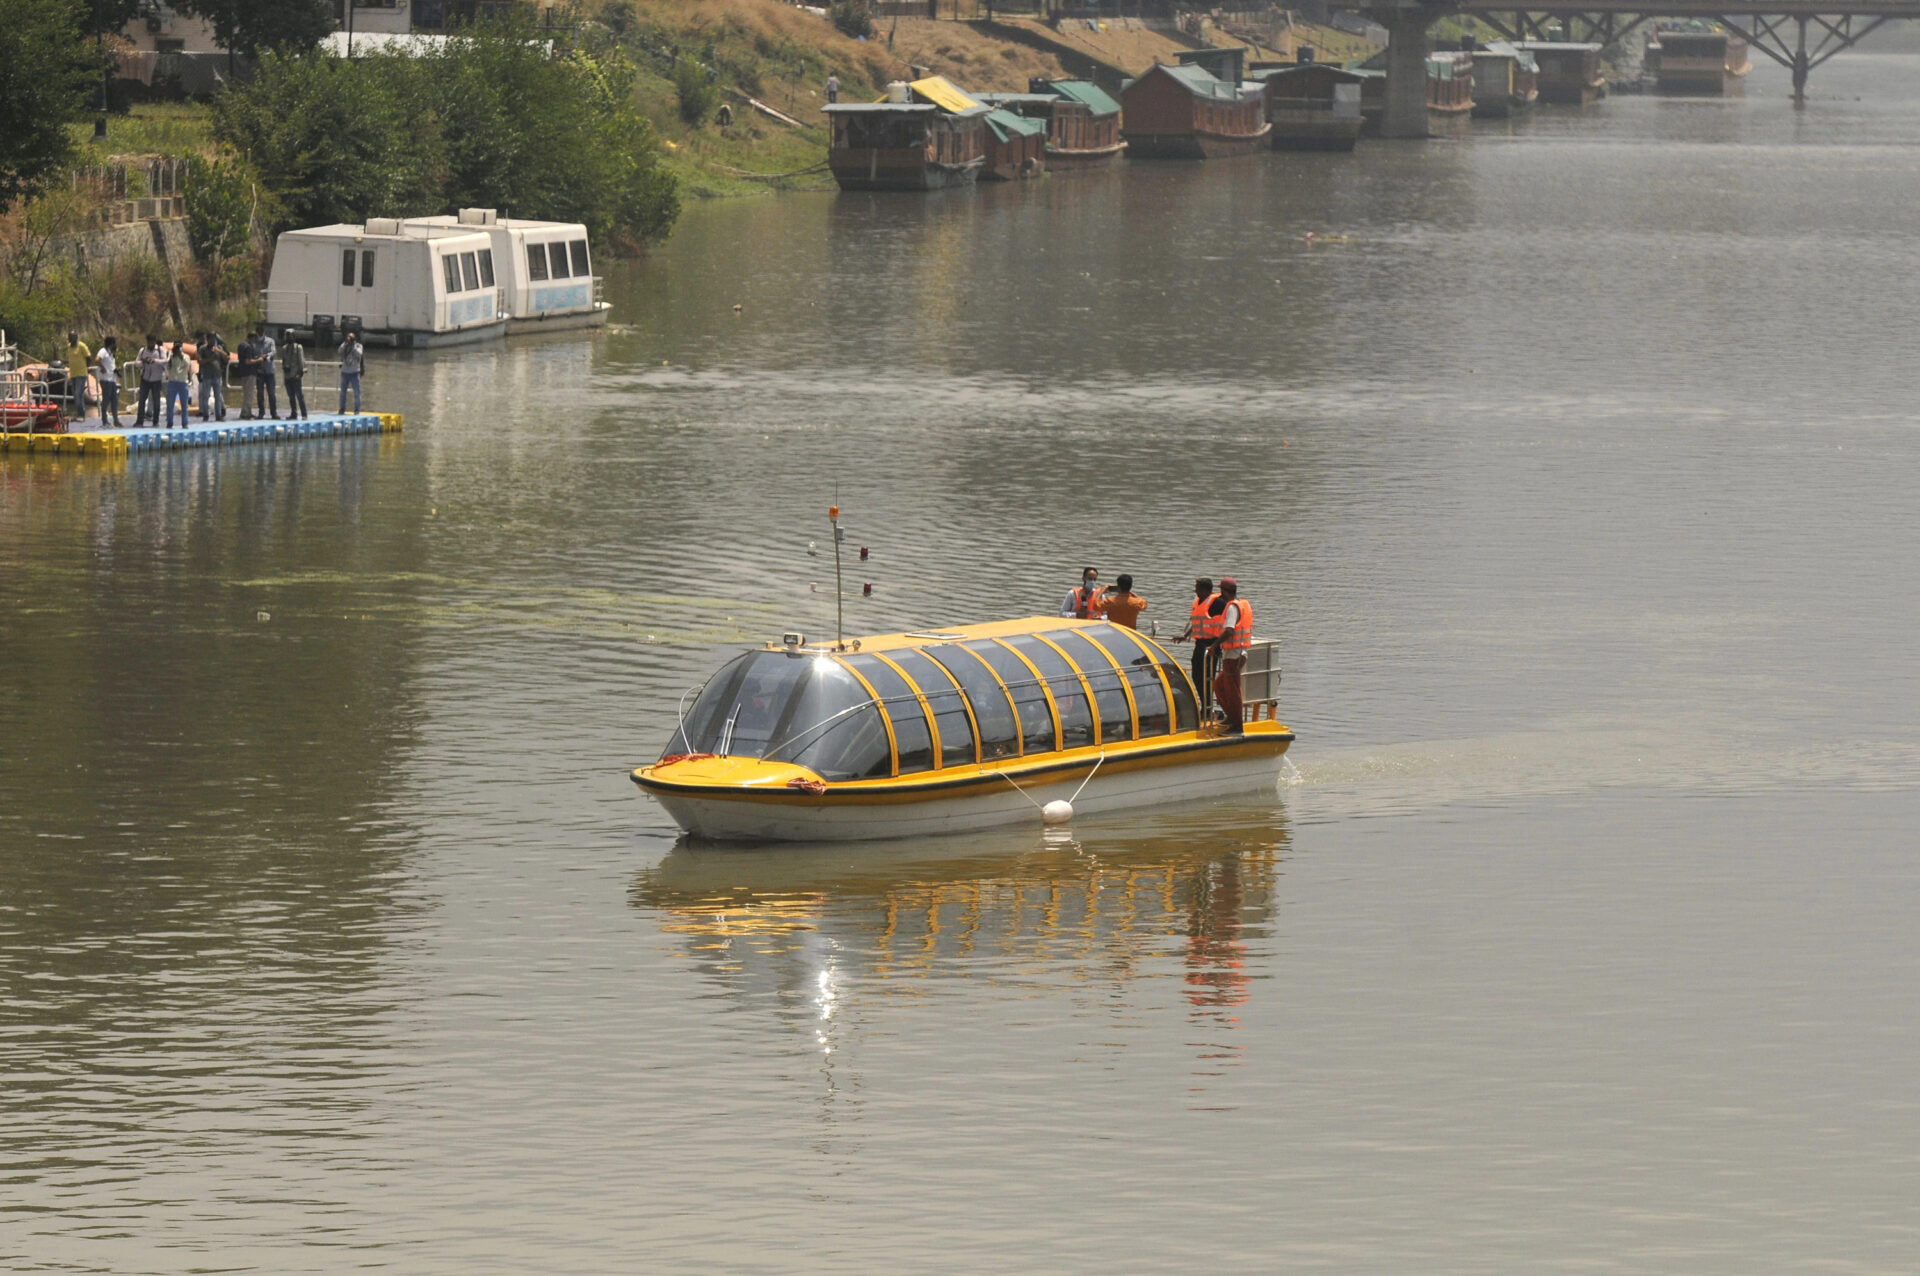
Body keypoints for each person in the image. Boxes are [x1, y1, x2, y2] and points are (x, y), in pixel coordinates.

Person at [1211, 577, 1252, 734]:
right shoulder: (1242, 604)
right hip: (1237, 654)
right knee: (1219, 686)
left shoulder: (1232, 608)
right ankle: (1232, 717)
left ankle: (1237, 726)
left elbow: (1229, 630)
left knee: (1233, 691)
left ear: (1223, 591)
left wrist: (1214, 646)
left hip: (1233, 656)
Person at [1177, 576, 1223, 711]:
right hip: (1200, 643)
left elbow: (1226, 622)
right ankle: (1205, 704)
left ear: (1205, 589)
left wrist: (1218, 645)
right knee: (1196, 675)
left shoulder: (1218, 603)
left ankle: (1208, 708)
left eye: (1197, 588)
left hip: (1212, 644)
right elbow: (1198, 623)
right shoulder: (1198, 602)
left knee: (1208, 676)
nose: (1195, 591)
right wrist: (1185, 636)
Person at [135, 334, 167, 428]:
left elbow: (165, 361)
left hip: (156, 380)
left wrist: (155, 361)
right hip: (145, 379)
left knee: (156, 401)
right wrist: (143, 362)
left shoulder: (160, 351)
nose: (150, 343)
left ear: (155, 341)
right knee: (141, 401)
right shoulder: (142, 350)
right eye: (149, 341)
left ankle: (155, 421)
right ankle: (139, 421)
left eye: (152, 341)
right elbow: (136, 363)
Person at [197, 332, 228, 421]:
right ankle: (205, 415)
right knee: (205, 396)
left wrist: (221, 352)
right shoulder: (202, 349)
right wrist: (210, 359)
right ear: (208, 339)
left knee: (218, 396)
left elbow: (225, 359)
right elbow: (200, 361)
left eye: (214, 339)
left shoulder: (219, 349)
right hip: (207, 376)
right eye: (211, 339)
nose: (213, 341)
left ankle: (218, 415)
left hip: (217, 375)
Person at [163, 336, 192, 429]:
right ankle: (170, 422)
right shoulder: (171, 356)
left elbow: (187, 365)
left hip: (183, 382)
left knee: (184, 405)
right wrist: (172, 356)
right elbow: (167, 366)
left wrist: (180, 355)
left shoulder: (186, 356)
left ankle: (185, 423)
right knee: (170, 404)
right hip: (172, 382)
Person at [252, 327, 280, 419]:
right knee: (260, 393)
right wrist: (257, 358)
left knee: (271, 393)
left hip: (269, 371)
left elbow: (273, 352)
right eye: (258, 331)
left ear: (264, 332)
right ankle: (261, 413)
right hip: (259, 372)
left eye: (261, 331)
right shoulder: (254, 342)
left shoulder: (270, 341)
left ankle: (274, 413)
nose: (260, 333)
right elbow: (253, 354)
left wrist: (266, 356)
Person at [92, 337, 120, 427]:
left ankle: (116, 420)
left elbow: (112, 366)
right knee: (106, 400)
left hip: (112, 380)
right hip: (105, 380)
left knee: (114, 401)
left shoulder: (111, 354)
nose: (115, 345)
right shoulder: (103, 351)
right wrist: (102, 367)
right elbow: (97, 360)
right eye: (114, 343)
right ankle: (105, 421)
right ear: (111, 344)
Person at [63, 331, 92, 419]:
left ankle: (81, 415)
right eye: (69, 337)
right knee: (76, 395)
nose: (70, 339)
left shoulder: (81, 346)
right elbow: (71, 359)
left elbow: (88, 357)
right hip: (73, 374)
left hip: (81, 374)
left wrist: (87, 367)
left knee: (78, 393)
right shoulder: (69, 347)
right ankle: (79, 413)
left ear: (75, 337)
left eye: (71, 337)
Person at [337, 330, 364, 413]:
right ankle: (342, 408)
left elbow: (359, 354)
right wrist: (345, 344)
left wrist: (353, 346)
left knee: (356, 392)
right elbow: (339, 351)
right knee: (343, 392)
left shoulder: (358, 346)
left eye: (351, 338)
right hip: (345, 372)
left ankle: (357, 409)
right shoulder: (344, 345)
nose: (349, 340)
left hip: (354, 373)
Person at [234, 331, 258, 419]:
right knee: (249, 394)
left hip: (242, 372)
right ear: (252, 338)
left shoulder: (241, 345)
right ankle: (246, 413)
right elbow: (248, 361)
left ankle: (246, 411)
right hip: (250, 372)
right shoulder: (248, 347)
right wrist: (259, 360)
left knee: (245, 393)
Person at [282, 338, 308, 419]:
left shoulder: (298, 347)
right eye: (287, 335)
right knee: (291, 396)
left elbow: (301, 360)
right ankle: (294, 413)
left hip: (295, 375)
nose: (289, 337)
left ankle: (304, 414)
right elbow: (283, 360)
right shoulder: (284, 348)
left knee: (299, 396)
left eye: (290, 335)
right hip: (287, 376)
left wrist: (300, 373)